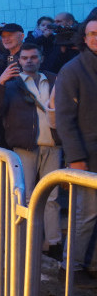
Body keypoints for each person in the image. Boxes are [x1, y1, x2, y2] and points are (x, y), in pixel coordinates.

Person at [0, 42, 62, 254]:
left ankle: (53, 242)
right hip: (24, 145)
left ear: (41, 58)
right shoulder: (10, 84)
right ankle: (27, 243)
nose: (29, 61)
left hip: (53, 145)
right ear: (18, 60)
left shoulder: (55, 80)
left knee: (52, 198)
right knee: (25, 197)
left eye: (33, 57)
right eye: (25, 58)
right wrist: (0, 82)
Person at [54, 14, 97, 275]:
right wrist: (76, 158)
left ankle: (92, 264)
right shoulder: (72, 70)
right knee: (86, 214)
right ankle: (72, 265)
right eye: (93, 34)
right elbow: (65, 120)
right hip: (87, 155)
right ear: (84, 37)